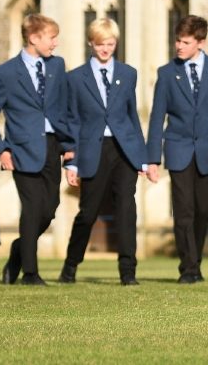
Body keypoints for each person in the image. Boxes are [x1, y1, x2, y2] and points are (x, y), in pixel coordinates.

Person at [0, 13, 72, 287]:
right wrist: (1, 150)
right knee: (31, 209)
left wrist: (70, 147)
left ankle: (20, 249)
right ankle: (30, 273)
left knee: (49, 209)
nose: (55, 43)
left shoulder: (57, 66)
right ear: (33, 38)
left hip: (53, 147)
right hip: (21, 151)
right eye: (51, 37)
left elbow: (65, 108)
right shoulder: (6, 73)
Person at [146, 15, 208, 284]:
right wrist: (152, 159)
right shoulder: (166, 73)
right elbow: (156, 118)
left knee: (202, 212)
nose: (179, 46)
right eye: (177, 40)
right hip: (178, 150)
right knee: (183, 211)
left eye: (185, 42)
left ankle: (195, 263)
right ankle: (188, 269)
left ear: (201, 42)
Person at [60, 18, 151, 286]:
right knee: (88, 212)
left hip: (124, 151)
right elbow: (72, 120)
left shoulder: (128, 73)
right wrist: (71, 161)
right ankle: (70, 265)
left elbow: (132, 116)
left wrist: (142, 157)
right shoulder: (75, 78)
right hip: (92, 151)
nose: (105, 49)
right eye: (100, 44)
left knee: (126, 209)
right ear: (91, 43)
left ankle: (128, 272)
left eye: (110, 44)